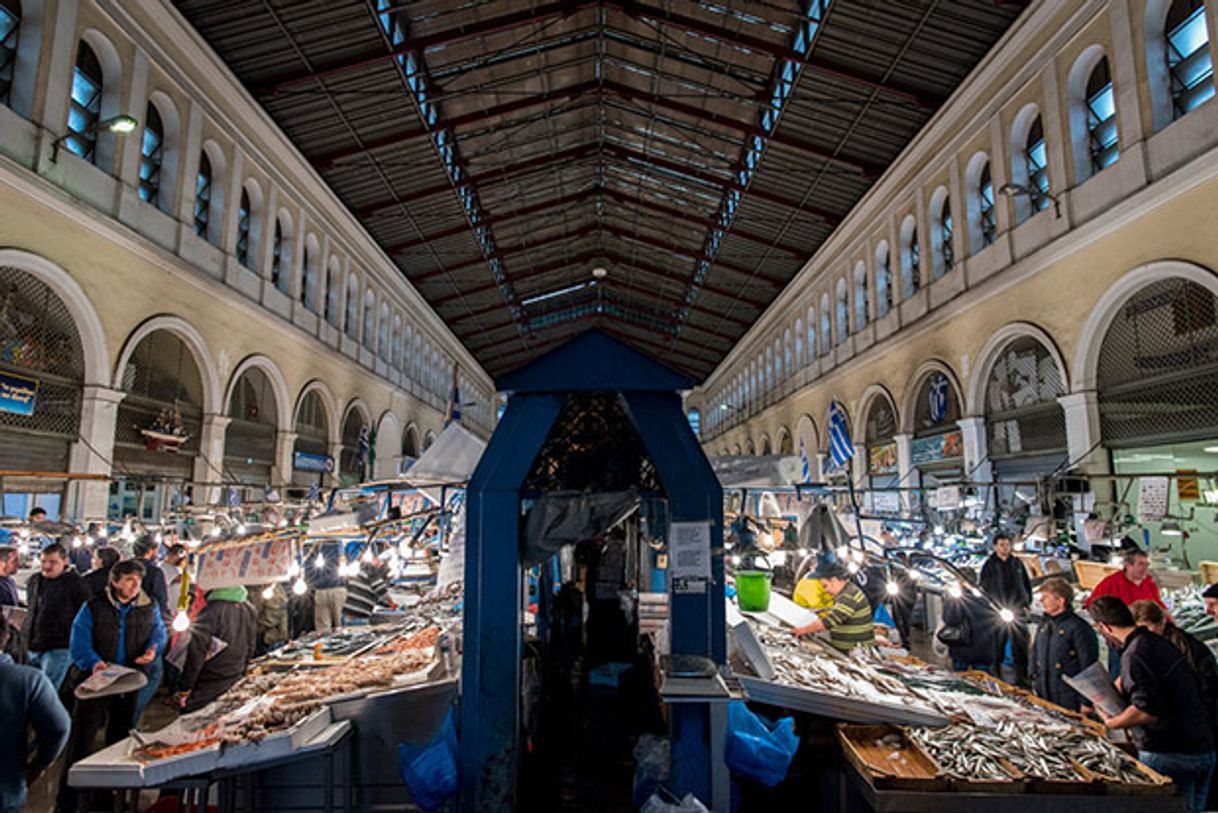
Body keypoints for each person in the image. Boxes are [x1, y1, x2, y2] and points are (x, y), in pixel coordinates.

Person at [59, 558, 166, 813]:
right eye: (129, 579)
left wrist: (153, 650)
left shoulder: (148, 606)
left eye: (138, 580)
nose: (134, 585)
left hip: (128, 681)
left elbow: (159, 633)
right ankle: (70, 802)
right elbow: (79, 641)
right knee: (82, 740)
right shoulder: (94, 607)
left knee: (120, 741)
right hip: (95, 682)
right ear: (115, 581)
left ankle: (110, 800)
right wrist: (94, 663)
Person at [1090, 595, 1215, 813]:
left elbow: (1146, 710)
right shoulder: (1159, 643)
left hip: (1170, 753)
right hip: (1202, 749)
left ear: (1105, 627)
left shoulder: (1136, 653)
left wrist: (1112, 722)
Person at [0, 613, 70, 813]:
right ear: (5, 638)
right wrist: (40, 763)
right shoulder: (29, 680)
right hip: (6, 789)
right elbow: (59, 727)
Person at [1131, 600, 1218, 736]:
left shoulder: (1186, 647)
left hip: (1193, 726)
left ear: (1161, 623)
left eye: (1146, 628)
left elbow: (1208, 688)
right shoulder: (1146, 648)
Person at [175, 585, 256, 712]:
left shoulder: (211, 611)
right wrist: (243, 670)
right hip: (235, 674)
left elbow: (196, 653)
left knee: (194, 720)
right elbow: (251, 644)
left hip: (210, 680)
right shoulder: (249, 607)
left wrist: (185, 688)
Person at [1085, 547, 1164, 677]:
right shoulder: (1111, 583)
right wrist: (1105, 631)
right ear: (1127, 565)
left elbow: (1161, 608)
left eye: (1147, 564)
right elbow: (1092, 606)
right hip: (1121, 643)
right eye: (1141, 564)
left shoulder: (1149, 583)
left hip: (1147, 642)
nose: (1145, 568)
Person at [23, 544, 90, 691]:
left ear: (64, 561)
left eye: (53, 562)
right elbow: (32, 610)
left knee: (46, 691)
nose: (46, 566)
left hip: (59, 647)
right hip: (32, 645)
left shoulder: (77, 584)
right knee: (30, 689)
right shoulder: (34, 581)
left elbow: (85, 617)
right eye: (43, 561)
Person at [1030, 578, 1098, 713]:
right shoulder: (1044, 625)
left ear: (1061, 601)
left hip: (1069, 698)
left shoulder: (1079, 628)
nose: (1041, 600)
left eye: (1046, 597)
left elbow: (1088, 665)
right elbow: (1035, 654)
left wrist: (1086, 702)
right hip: (1045, 693)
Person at [979, 534, 1032, 687]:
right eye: (1002, 545)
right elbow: (984, 588)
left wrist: (1027, 601)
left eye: (1007, 544)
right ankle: (996, 672)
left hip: (1017, 609)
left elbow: (1026, 584)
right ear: (995, 546)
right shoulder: (989, 565)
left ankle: (1022, 675)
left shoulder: (1016, 563)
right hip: (997, 610)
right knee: (997, 643)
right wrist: (991, 606)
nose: (1005, 548)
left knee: (1020, 644)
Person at [791, 560, 875, 652]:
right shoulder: (846, 592)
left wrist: (802, 630)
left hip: (856, 652)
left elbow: (828, 622)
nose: (825, 590)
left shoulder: (848, 596)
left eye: (825, 586)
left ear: (834, 581)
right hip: (848, 649)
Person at [940, 587, 998, 673]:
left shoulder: (957, 598)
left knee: (960, 680)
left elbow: (949, 619)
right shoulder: (990, 598)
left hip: (961, 648)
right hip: (984, 650)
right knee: (983, 681)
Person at [307, 541, 346, 633]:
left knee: (325, 628)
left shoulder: (310, 544)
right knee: (338, 626)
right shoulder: (334, 542)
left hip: (323, 589)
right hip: (331, 588)